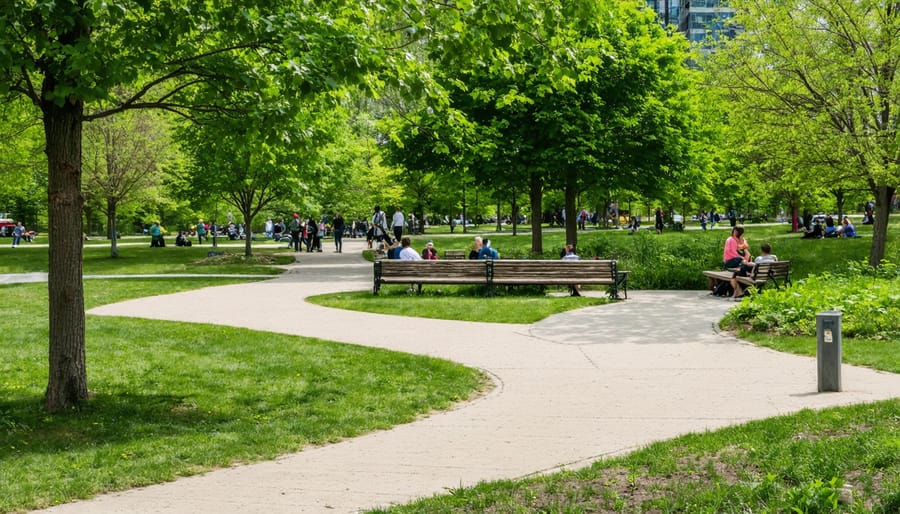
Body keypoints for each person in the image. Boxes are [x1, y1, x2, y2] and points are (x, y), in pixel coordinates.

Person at [723, 226, 754, 300]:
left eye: (737, 232)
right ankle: (752, 266)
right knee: (742, 262)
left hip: (737, 261)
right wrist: (742, 258)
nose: (735, 233)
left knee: (741, 270)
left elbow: (745, 247)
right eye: (734, 231)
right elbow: (732, 252)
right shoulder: (731, 240)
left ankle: (741, 291)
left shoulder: (740, 239)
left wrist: (743, 248)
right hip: (730, 261)